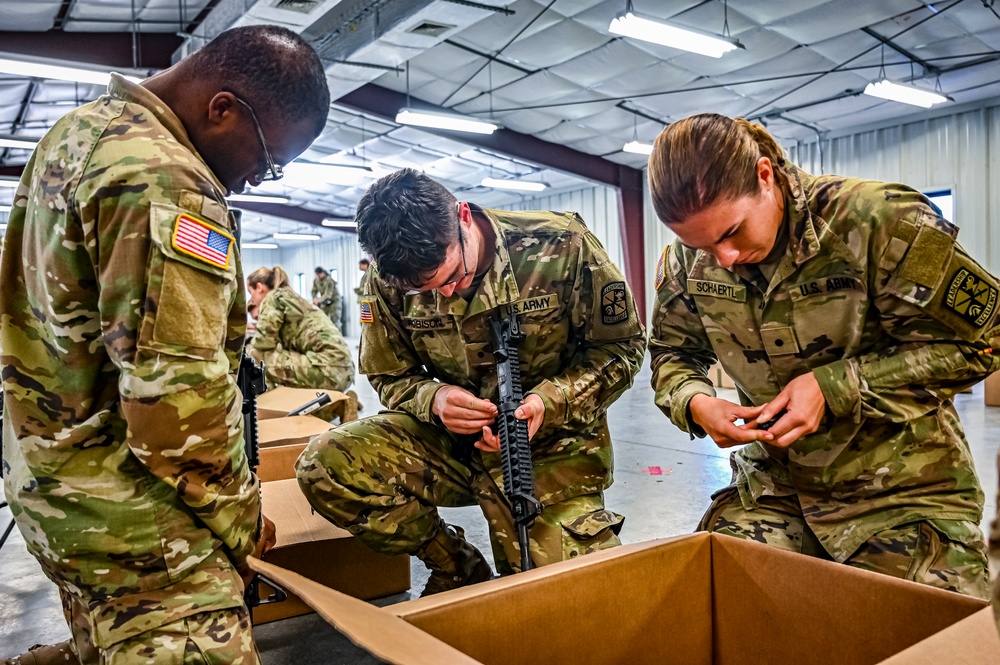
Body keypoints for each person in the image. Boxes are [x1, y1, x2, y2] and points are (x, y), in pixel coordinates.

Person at [0, 24, 330, 665]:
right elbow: (178, 399)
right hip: (140, 520)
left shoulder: (77, 133)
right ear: (223, 108)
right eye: (268, 159)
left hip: (57, 486)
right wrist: (240, 519)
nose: (260, 179)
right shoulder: (168, 181)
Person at [646, 113, 998, 599]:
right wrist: (695, 402)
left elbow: (985, 341)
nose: (721, 258)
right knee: (707, 609)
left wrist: (836, 387)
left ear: (764, 176)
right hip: (775, 490)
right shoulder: (689, 260)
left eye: (731, 233)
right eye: (699, 243)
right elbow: (671, 352)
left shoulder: (880, 222)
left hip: (902, 492)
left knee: (936, 634)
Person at [295, 168, 646, 595]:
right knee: (326, 464)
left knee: (568, 600)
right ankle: (455, 565)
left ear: (463, 217)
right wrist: (435, 398)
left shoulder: (562, 244)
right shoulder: (388, 280)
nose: (446, 295)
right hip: (452, 444)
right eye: (426, 290)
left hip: (552, 448)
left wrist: (547, 403)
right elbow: (388, 374)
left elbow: (622, 350)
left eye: (454, 276)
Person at [247, 265, 355, 392]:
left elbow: (263, 343)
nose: (252, 299)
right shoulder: (289, 296)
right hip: (343, 371)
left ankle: (268, 405)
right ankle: (331, 408)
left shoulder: (273, 298)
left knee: (253, 355)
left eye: (251, 293)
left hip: (327, 370)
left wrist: (246, 341)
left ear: (259, 287)